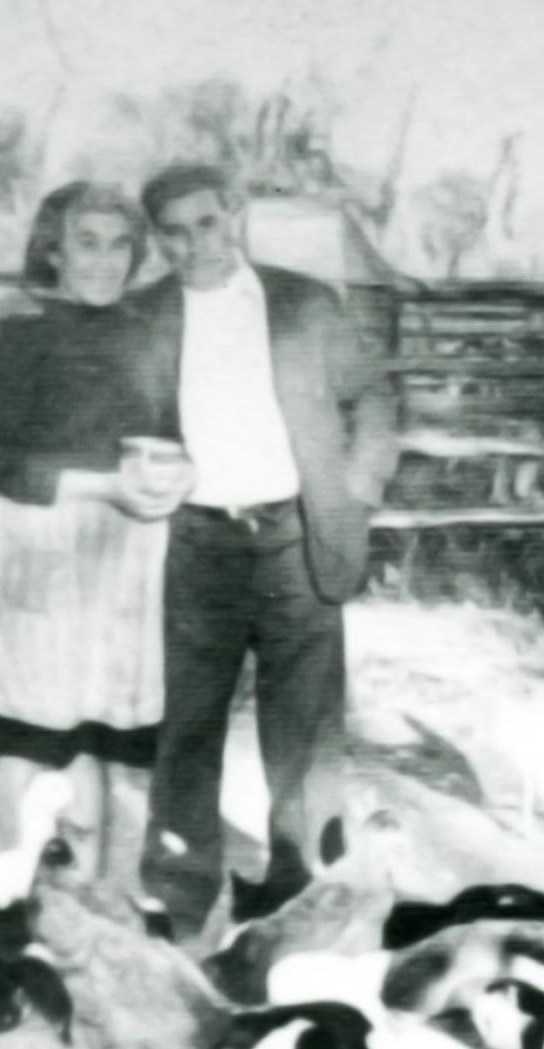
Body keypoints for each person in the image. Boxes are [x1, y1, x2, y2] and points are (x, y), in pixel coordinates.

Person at [129, 163, 399, 941]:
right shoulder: (144, 317)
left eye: (207, 225)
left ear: (235, 215)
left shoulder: (303, 304)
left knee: (305, 730)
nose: (194, 247)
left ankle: (302, 892)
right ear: (158, 240)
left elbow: (375, 397)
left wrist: (356, 491)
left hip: (295, 536)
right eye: (173, 234)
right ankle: (176, 902)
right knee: (186, 725)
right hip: (194, 543)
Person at [0, 181, 193, 881]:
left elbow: (171, 435)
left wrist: (179, 476)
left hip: (121, 565)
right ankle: (23, 893)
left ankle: (83, 898)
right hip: (41, 557)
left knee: (92, 736)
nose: (104, 261)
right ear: (54, 251)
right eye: (86, 243)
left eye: (120, 244)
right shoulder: (24, 331)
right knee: (29, 736)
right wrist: (99, 488)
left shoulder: (147, 332)